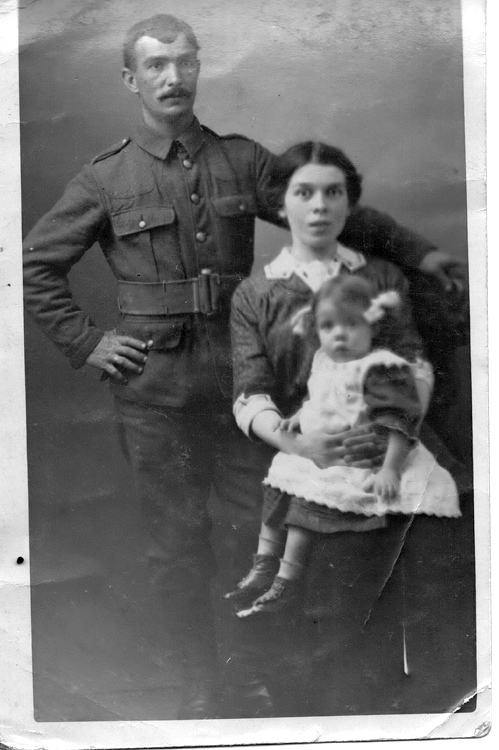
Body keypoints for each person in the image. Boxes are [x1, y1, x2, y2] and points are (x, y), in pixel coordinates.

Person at [23, 15, 466, 720]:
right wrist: (87, 342)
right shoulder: (105, 178)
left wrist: (421, 255)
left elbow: (329, 213)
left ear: (199, 68)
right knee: (175, 545)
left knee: (255, 531)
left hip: (242, 386)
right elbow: (34, 266)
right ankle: (201, 687)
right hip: (154, 392)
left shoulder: (239, 161)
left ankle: (253, 674)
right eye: (157, 65)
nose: (173, 78)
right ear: (130, 78)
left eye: (184, 62)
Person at [227, 142, 467, 711]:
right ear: (280, 205)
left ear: (349, 203)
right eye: (303, 192)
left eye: (333, 192)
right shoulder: (258, 294)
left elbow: (413, 362)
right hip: (304, 453)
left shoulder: (380, 278)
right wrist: (298, 441)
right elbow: (249, 390)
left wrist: (392, 431)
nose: (319, 206)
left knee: (431, 573)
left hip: (393, 446)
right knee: (321, 606)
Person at [226, 273, 460, 618]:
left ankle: (287, 578)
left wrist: (390, 469)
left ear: (373, 327)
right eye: (328, 326)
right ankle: (264, 562)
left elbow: (399, 420)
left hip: (368, 452)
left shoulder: (380, 368)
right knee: (280, 476)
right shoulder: (324, 360)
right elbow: (321, 400)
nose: (339, 334)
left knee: (308, 501)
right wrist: (298, 419)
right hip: (329, 449)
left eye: (351, 324)